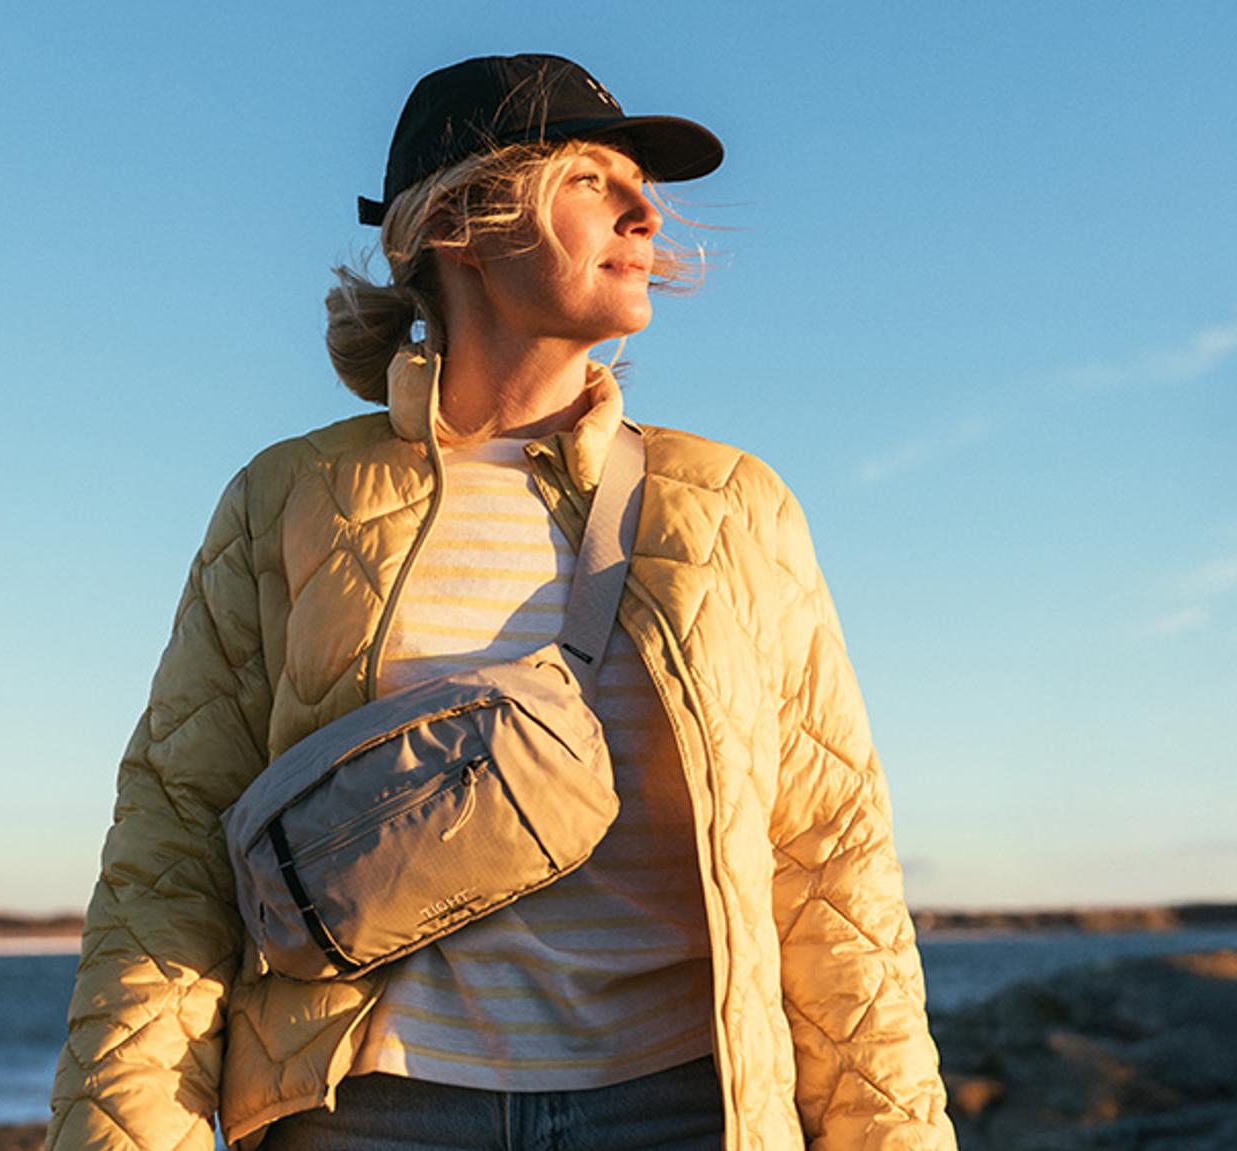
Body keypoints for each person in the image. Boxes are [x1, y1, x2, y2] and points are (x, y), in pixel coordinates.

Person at [47, 54, 955, 1151]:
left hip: (680, 1106)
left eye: (640, 185)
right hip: (364, 1111)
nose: (643, 210)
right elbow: (173, 844)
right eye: (587, 178)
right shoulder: (292, 499)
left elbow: (832, 865)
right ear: (456, 223)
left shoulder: (729, 508)